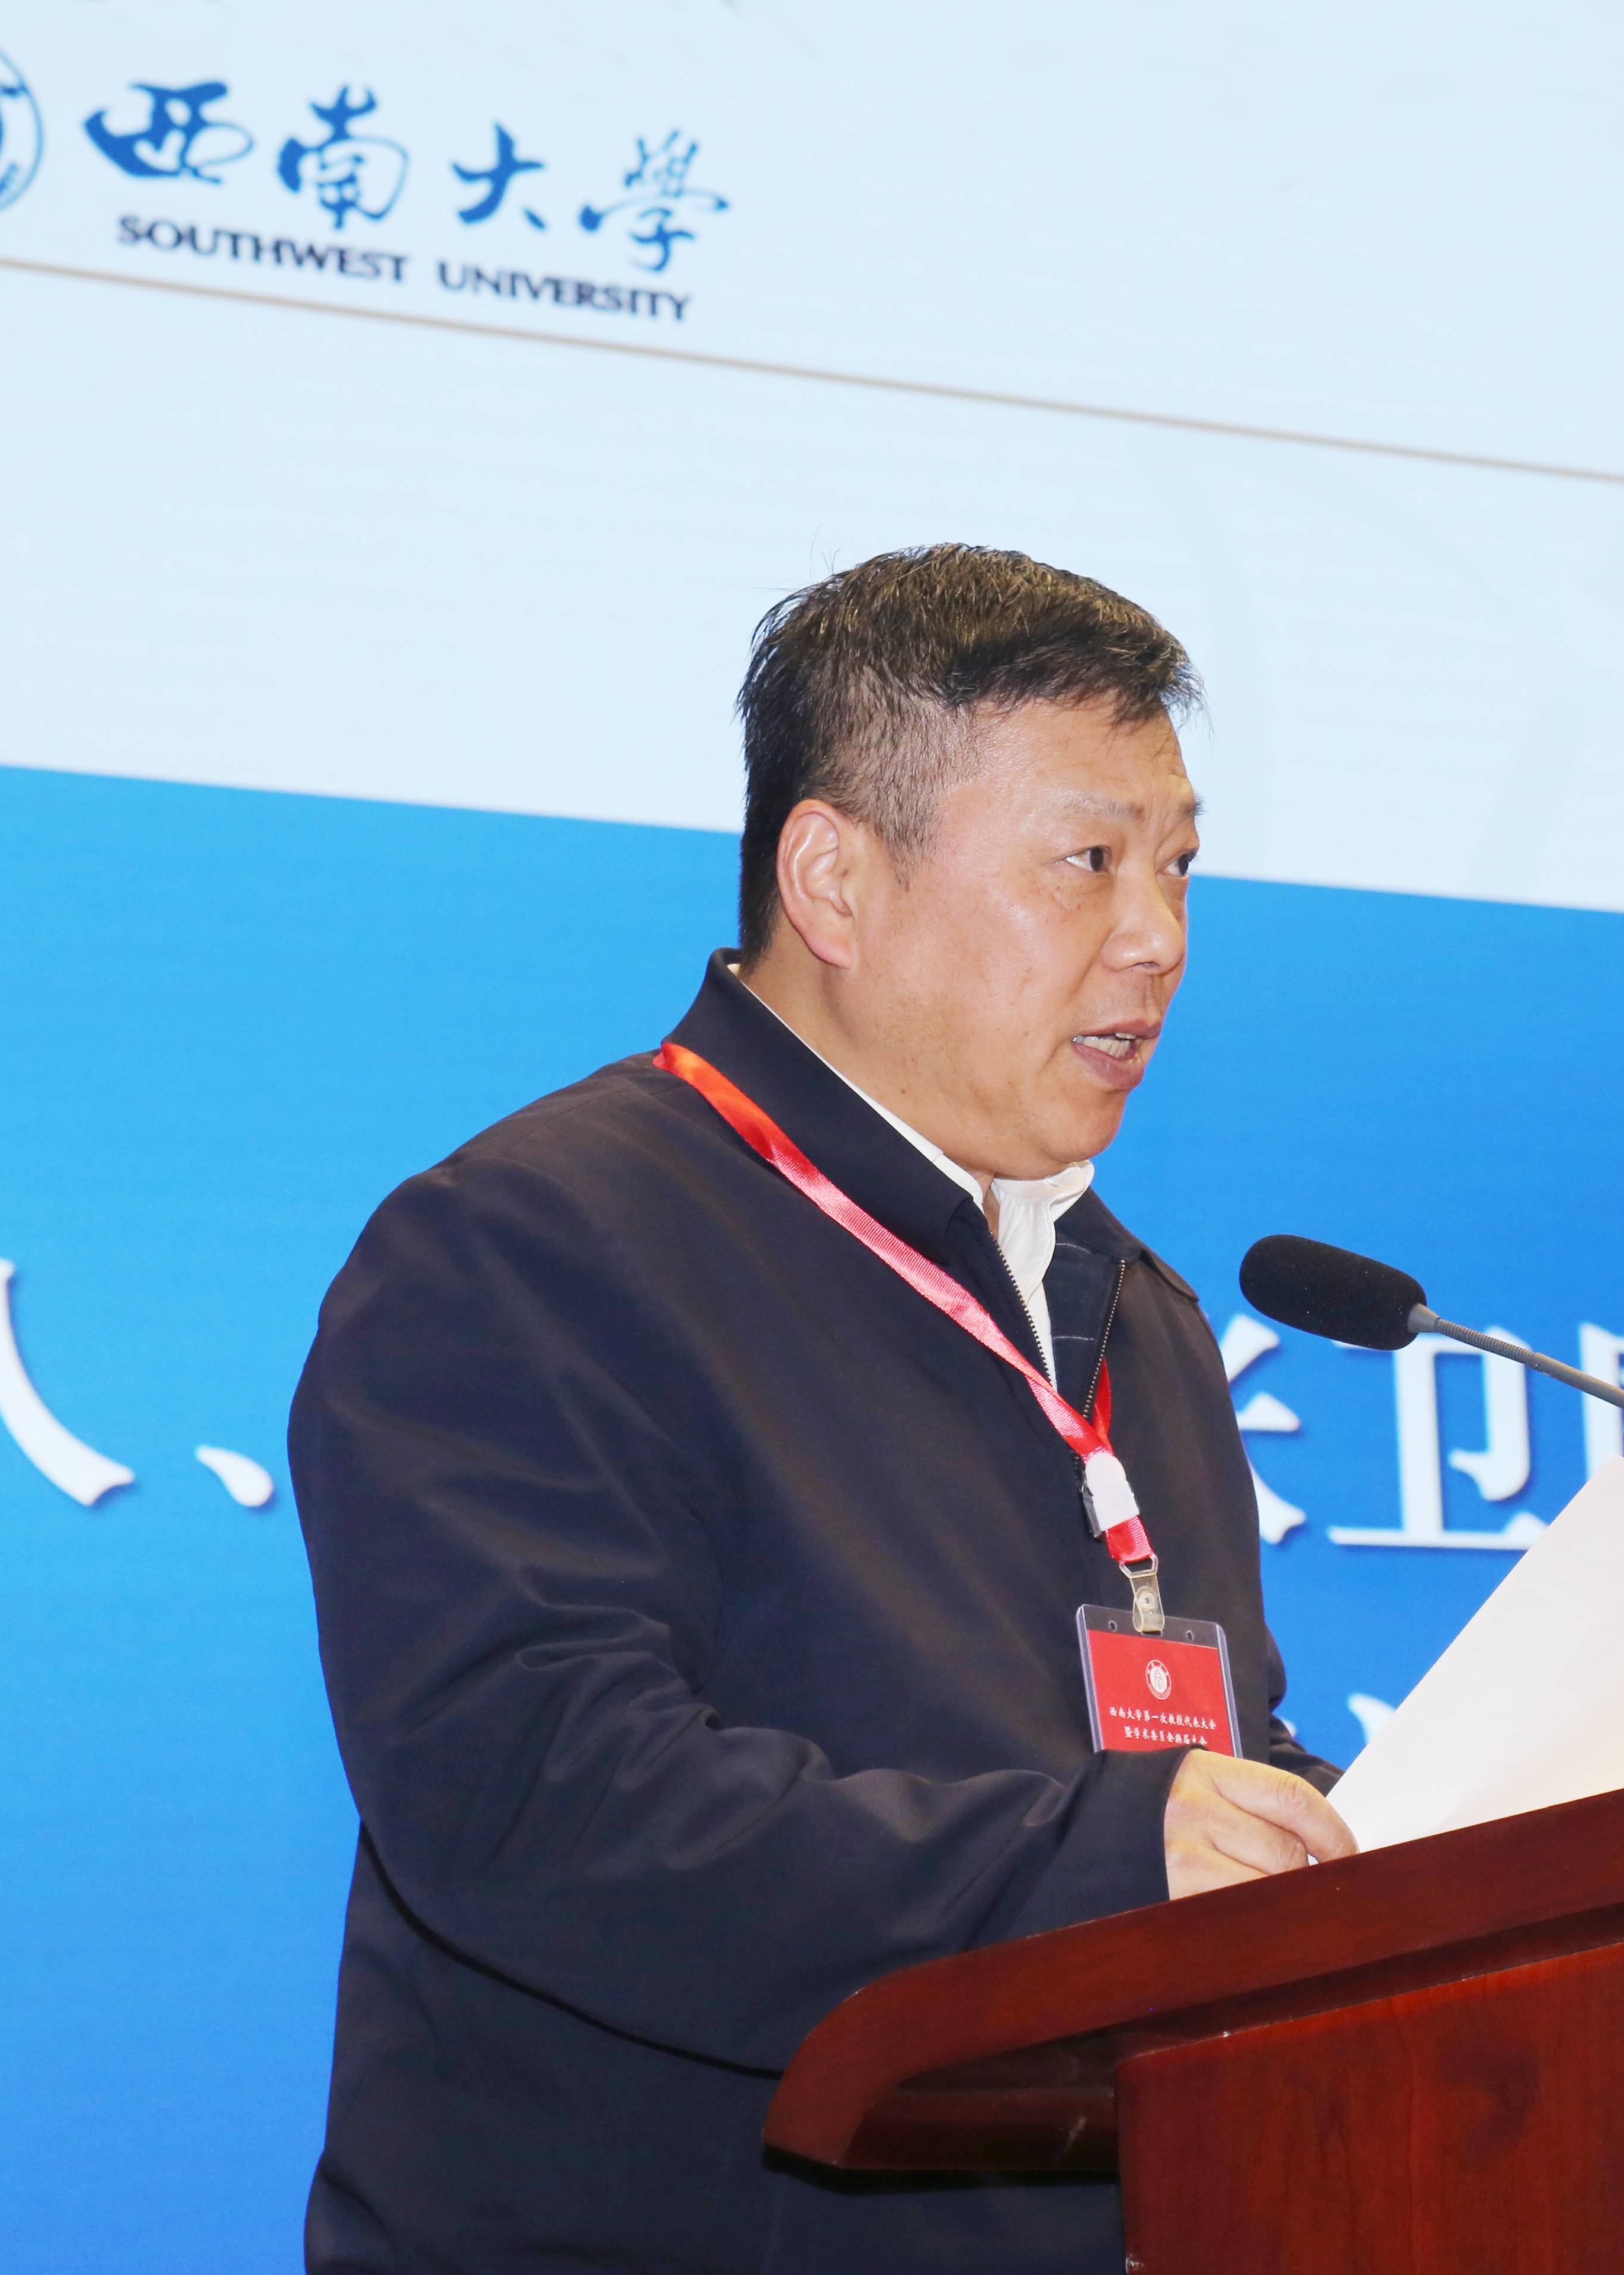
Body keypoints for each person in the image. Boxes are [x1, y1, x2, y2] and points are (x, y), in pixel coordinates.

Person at [290, 546, 1354, 2275]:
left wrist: (1352, 1842)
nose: (1157, 938)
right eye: (1086, 862)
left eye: (1178, 866)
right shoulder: (538, 1244)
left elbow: (1170, 1768)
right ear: (836, 881)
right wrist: (1109, 1863)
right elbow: (539, 1800)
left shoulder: (1131, 1309)